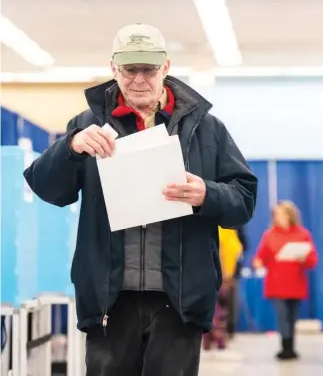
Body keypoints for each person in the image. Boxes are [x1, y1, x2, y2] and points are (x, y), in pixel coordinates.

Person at [23, 23, 258, 376]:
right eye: (130, 70)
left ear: (165, 67)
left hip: (179, 302)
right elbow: (46, 188)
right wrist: (70, 147)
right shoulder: (88, 126)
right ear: (113, 69)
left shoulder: (207, 131)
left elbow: (244, 199)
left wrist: (207, 194)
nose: (138, 80)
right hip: (109, 301)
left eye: (148, 70)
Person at [253, 201, 318, 360]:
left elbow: (312, 260)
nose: (279, 218)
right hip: (277, 284)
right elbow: (260, 257)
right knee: (282, 316)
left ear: (291, 216)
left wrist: (303, 257)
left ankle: (291, 347)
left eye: (282, 214)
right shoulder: (269, 235)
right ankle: (285, 348)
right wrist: (257, 263)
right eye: (277, 215)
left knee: (292, 317)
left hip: (296, 283)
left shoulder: (303, 234)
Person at [203, 227, 243, 350]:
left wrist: (229, 274)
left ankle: (215, 339)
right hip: (215, 275)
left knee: (218, 310)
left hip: (221, 275)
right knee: (216, 310)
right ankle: (214, 339)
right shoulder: (224, 229)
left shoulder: (227, 230)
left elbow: (234, 250)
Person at [227, 225, 248, 338]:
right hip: (213, 268)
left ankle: (230, 328)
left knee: (231, 300)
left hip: (232, 269)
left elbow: (243, 246)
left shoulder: (236, 224)